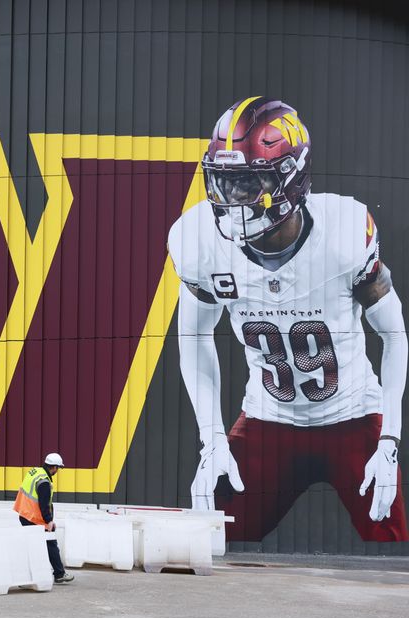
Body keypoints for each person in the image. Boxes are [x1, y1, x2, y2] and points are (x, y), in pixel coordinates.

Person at [167, 96, 408, 542]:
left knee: (392, 547)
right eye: (222, 183)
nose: (229, 201)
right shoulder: (199, 240)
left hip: (352, 413)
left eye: (247, 183)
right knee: (213, 540)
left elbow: (394, 334)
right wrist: (211, 438)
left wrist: (389, 442)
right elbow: (194, 335)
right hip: (268, 418)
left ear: (290, 180)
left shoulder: (344, 232)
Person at [14, 452, 73, 584]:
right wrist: (49, 521)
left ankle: (29, 574)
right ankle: (59, 574)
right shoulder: (44, 482)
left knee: (33, 545)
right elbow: (44, 504)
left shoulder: (35, 472)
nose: (57, 471)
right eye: (58, 468)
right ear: (54, 467)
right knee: (51, 542)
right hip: (34, 517)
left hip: (24, 514)